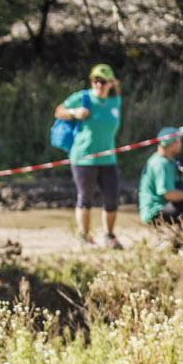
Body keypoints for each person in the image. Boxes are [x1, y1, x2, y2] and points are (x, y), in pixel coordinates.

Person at [55, 64, 123, 248]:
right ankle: (84, 237)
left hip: (108, 158)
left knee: (112, 197)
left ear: (111, 83)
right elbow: (58, 111)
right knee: (86, 197)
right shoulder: (82, 97)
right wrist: (73, 112)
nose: (98, 84)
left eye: (103, 81)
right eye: (95, 81)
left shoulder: (115, 101)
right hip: (83, 157)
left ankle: (109, 236)